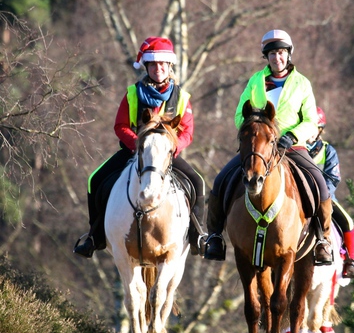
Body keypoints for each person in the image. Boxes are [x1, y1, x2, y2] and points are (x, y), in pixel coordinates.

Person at [203, 29, 334, 264]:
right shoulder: (256, 81)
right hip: (260, 146)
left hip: (292, 147)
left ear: (288, 54)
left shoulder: (302, 84)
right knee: (221, 179)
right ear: (266, 57)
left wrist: (292, 135)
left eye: (281, 53)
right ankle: (214, 236)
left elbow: (310, 120)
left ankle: (323, 240)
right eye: (272, 54)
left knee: (319, 183)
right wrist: (254, 128)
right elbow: (239, 114)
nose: (277, 58)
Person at [74, 37, 206, 259]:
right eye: (153, 64)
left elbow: (187, 132)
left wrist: (171, 149)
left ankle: (199, 236)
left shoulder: (182, 97)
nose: (158, 68)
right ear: (146, 66)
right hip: (134, 151)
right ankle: (94, 236)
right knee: (94, 180)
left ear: (170, 66)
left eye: (162, 64)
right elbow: (121, 126)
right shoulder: (132, 93)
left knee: (197, 181)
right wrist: (139, 145)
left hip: (166, 155)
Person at [306, 107, 354, 278]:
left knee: (348, 222)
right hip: (298, 195)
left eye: (313, 128)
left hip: (323, 197)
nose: (309, 133)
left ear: (320, 130)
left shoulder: (328, 151)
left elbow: (333, 178)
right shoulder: (293, 148)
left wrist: (322, 195)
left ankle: (350, 261)